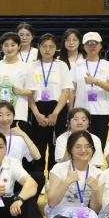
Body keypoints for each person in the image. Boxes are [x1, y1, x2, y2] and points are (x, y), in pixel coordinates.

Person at [26, 33, 72, 172]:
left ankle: (54, 177)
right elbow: (29, 93)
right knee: (38, 146)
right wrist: (36, 114)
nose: (47, 49)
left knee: (55, 146)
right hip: (37, 108)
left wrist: (55, 114)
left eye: (51, 47)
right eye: (44, 46)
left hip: (57, 109)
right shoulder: (31, 66)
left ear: (56, 48)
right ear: (39, 47)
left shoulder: (61, 65)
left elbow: (66, 90)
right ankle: (38, 178)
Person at [71, 31, 109, 144]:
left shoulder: (108, 65)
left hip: (101, 112)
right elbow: (72, 91)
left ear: (100, 46)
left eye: (95, 43)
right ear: (84, 47)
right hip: (80, 112)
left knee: (99, 145)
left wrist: (96, 81)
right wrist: (70, 111)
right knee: (79, 144)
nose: (92, 46)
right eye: (88, 43)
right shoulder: (77, 66)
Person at [0, 32, 32, 129]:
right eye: (6, 45)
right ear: (1, 47)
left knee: (17, 138)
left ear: (19, 46)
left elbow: (31, 90)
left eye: (13, 45)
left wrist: (20, 91)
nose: (9, 48)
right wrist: (0, 96)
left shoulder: (26, 67)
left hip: (18, 113)